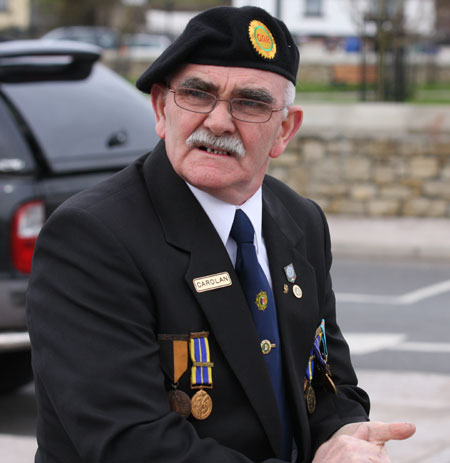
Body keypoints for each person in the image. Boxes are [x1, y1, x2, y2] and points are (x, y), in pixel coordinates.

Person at [26, 6, 415, 463]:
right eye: (197, 93)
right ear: (160, 108)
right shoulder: (91, 237)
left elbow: (328, 381)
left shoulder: (301, 220)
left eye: (250, 103)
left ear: (284, 130)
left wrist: (347, 436)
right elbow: (131, 444)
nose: (217, 121)